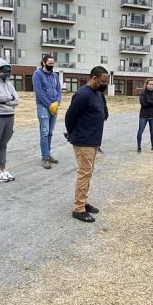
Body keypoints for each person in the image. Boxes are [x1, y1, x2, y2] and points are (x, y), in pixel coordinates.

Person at [64, 66, 109, 223]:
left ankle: (83, 201)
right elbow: (69, 117)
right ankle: (78, 209)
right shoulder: (82, 94)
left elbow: (105, 114)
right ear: (94, 78)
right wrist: (72, 134)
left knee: (88, 173)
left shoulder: (98, 94)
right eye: (103, 81)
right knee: (84, 173)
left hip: (93, 140)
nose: (105, 85)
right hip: (83, 141)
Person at [33, 55, 62, 169]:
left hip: (54, 107)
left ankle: (48, 154)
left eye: (53, 64)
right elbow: (39, 92)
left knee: (50, 132)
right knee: (44, 133)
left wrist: (57, 102)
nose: (51, 66)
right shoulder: (37, 75)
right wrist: (49, 105)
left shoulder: (55, 76)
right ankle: (45, 157)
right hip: (44, 107)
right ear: (44, 63)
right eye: (49, 64)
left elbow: (59, 90)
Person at [137, 78, 153, 153]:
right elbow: (143, 103)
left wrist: (149, 101)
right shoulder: (143, 93)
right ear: (146, 84)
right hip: (144, 115)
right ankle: (139, 146)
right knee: (140, 131)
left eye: (152, 84)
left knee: (152, 132)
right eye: (150, 84)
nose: (151, 85)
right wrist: (152, 102)